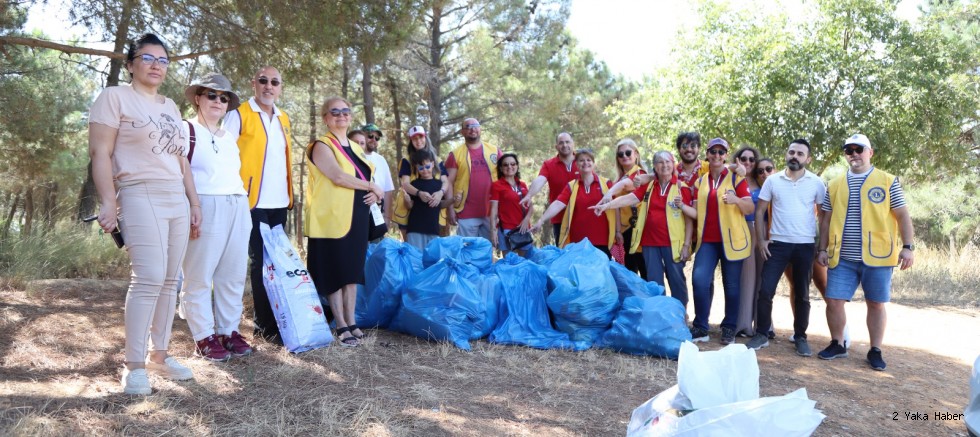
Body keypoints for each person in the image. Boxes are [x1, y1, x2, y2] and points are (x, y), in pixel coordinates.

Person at [88, 33, 200, 394]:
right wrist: (108, 201)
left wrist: (194, 203)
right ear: (132, 63)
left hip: (176, 199)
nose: (156, 65)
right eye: (148, 58)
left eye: (163, 60)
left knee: (170, 280)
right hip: (139, 192)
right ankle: (134, 366)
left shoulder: (170, 106)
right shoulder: (114, 97)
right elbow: (100, 153)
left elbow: (181, 159)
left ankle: (160, 356)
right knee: (149, 276)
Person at [816, 133, 915, 371]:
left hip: (878, 256)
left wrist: (908, 247)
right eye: (849, 150)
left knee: (876, 303)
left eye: (859, 149)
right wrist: (822, 248)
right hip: (842, 256)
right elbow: (826, 219)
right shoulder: (835, 184)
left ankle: (875, 350)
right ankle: (838, 344)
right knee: (834, 300)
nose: (854, 154)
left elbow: (902, 216)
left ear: (870, 152)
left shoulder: (888, 181)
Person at [179, 73, 253, 362]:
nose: (218, 101)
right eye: (211, 95)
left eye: (224, 98)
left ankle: (228, 331)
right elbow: (179, 171)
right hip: (204, 205)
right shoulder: (186, 130)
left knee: (232, 275)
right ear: (198, 98)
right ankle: (204, 336)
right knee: (198, 275)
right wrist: (192, 206)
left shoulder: (228, 137)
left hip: (237, 204)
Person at [222, 66, 293, 345]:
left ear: (280, 87)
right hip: (250, 201)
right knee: (260, 262)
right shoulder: (238, 115)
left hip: (279, 202)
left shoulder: (284, 117)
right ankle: (264, 327)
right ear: (254, 84)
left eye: (274, 82)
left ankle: (278, 321)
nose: (268, 86)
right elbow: (224, 154)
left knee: (277, 263)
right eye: (263, 81)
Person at [304, 97, 382, 347]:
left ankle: (352, 321)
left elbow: (365, 175)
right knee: (334, 273)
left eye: (345, 111)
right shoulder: (321, 145)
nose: (341, 115)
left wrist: (372, 193)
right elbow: (337, 177)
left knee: (352, 273)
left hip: (355, 218)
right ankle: (341, 325)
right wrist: (371, 186)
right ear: (326, 118)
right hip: (330, 220)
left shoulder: (357, 147)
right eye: (334, 112)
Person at [745, 139, 826, 357]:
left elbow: (823, 217)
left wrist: (823, 247)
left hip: (805, 245)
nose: (795, 156)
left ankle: (800, 336)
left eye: (800, 154)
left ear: (807, 159)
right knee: (766, 290)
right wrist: (761, 240)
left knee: (802, 294)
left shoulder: (817, 183)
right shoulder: (773, 181)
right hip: (777, 245)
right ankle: (762, 334)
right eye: (791, 152)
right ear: (786, 155)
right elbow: (760, 210)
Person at [591, 151, 694, 306]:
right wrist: (607, 205)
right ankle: (659, 314)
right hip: (650, 242)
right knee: (654, 282)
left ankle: (680, 314)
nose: (664, 165)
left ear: (673, 165)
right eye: (660, 162)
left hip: (673, 243)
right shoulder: (649, 185)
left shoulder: (681, 188)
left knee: (676, 279)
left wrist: (687, 245)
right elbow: (630, 198)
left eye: (668, 161)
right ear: (654, 167)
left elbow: (689, 220)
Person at [687, 138, 754, 345]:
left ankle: (729, 328)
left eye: (721, 152)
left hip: (732, 240)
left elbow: (750, 207)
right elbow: (697, 212)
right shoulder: (700, 181)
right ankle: (701, 326)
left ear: (726, 155)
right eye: (713, 152)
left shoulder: (736, 178)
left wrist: (737, 200)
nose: (717, 156)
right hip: (707, 241)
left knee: (731, 286)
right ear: (707, 154)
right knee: (699, 280)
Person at [531, 149, 618, 257]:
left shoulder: (606, 184)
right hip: (578, 242)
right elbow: (558, 204)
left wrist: (618, 231)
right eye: (581, 160)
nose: (585, 163)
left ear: (593, 163)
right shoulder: (571, 186)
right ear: (576, 164)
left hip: (602, 241)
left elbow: (617, 207)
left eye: (588, 160)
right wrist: (541, 220)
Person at [598, 139, 647, 274]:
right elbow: (617, 208)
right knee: (629, 271)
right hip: (626, 231)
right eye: (621, 154)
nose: (624, 156)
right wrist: (618, 231)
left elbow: (627, 184)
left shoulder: (641, 174)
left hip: (642, 229)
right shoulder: (617, 181)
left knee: (645, 269)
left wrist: (609, 193)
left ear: (636, 154)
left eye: (627, 152)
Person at [391, 126, 449, 240]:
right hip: (409, 209)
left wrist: (440, 193)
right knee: (411, 250)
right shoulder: (406, 161)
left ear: (426, 137)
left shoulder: (438, 160)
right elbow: (405, 184)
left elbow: (445, 182)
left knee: (432, 252)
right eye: (414, 139)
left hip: (432, 212)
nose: (418, 141)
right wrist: (419, 193)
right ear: (411, 141)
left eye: (420, 137)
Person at [520, 132, 580, 244]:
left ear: (573, 144)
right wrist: (529, 195)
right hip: (559, 217)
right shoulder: (549, 164)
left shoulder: (582, 162)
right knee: (564, 252)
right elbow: (540, 180)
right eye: (561, 143)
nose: (565, 145)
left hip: (582, 215)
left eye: (567, 142)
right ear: (556, 147)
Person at [446, 118, 498, 240]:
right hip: (466, 212)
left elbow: (506, 177)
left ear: (480, 129)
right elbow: (448, 182)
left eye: (475, 125)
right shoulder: (455, 154)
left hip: (491, 211)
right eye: (468, 126)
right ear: (462, 132)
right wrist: (450, 209)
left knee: (487, 250)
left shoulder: (494, 151)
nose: (472, 129)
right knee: (467, 250)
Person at [732, 146, 762, 337]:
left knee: (762, 280)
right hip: (741, 231)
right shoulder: (732, 179)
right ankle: (743, 323)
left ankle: (763, 325)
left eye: (752, 159)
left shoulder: (762, 180)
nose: (748, 162)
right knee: (746, 279)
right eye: (744, 158)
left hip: (762, 232)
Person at [489, 153, 533, 256]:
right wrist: (493, 231)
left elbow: (530, 206)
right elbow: (493, 210)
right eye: (506, 165)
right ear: (500, 168)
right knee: (509, 263)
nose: (510, 167)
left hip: (524, 228)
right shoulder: (496, 186)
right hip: (507, 230)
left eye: (513, 164)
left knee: (525, 262)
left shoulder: (522, 184)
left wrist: (527, 219)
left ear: (517, 166)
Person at [402, 149, 444, 251]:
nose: (425, 170)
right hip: (415, 228)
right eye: (421, 168)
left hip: (433, 229)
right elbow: (409, 206)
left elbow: (442, 204)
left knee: (432, 261)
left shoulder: (439, 184)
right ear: (416, 168)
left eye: (427, 166)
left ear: (433, 164)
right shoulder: (414, 184)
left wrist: (453, 200)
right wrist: (407, 200)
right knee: (415, 260)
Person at [360, 123, 395, 234]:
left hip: (377, 216)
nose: (373, 140)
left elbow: (388, 191)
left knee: (377, 250)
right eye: (370, 136)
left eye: (377, 138)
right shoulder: (353, 156)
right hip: (357, 215)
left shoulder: (381, 160)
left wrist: (387, 218)